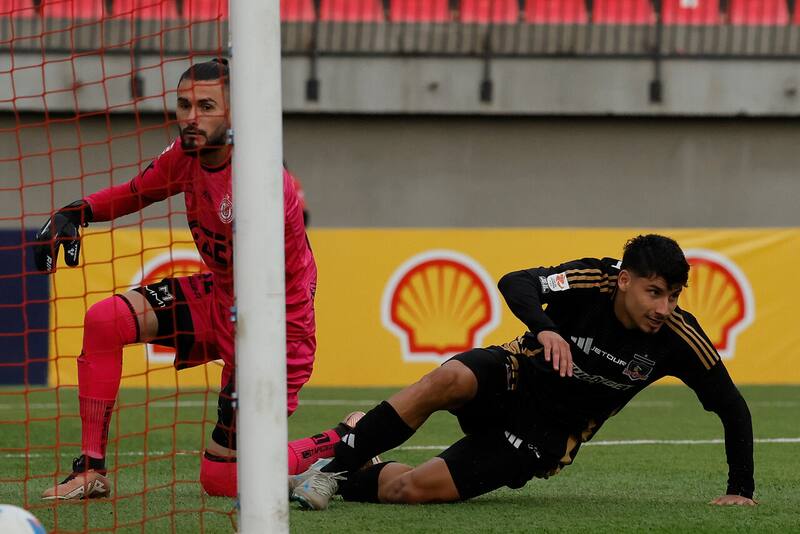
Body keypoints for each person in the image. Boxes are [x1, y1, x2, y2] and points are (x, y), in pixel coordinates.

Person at [35, 58, 343, 500]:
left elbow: (275, 291)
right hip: (219, 297)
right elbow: (134, 193)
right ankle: (91, 470)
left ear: (238, 113)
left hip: (275, 332)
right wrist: (76, 212)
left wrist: (242, 371)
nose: (191, 117)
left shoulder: (263, 184)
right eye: (183, 104)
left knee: (220, 480)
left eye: (206, 105)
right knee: (105, 320)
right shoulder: (187, 155)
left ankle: (343, 442)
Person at [290, 234, 756, 510]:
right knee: (448, 379)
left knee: (409, 489)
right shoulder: (592, 279)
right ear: (625, 280)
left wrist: (740, 489)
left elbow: (732, 407)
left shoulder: (676, 336)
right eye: (655, 293)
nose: (664, 307)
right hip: (515, 375)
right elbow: (517, 282)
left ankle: (353, 461)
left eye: (673, 296)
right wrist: (547, 329)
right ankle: (332, 464)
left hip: (545, 437)